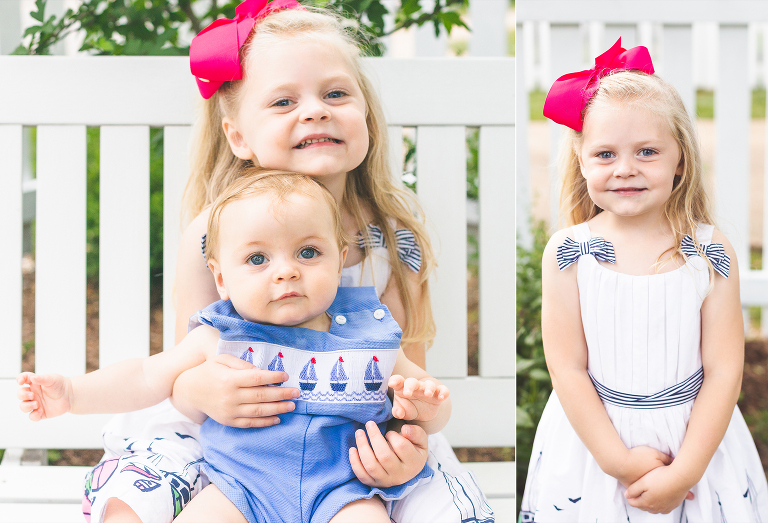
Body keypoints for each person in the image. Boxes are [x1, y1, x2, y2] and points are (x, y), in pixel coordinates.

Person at [73, 1, 493, 522]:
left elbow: (406, 385)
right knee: (136, 502)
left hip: (349, 445)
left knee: (441, 507)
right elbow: (188, 359)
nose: (315, 110)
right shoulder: (210, 233)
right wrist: (201, 389)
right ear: (238, 135)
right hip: (224, 433)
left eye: (336, 94)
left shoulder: (391, 241)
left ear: (366, 114)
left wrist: (405, 442)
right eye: (283, 102)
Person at [18, 171, 450, 523]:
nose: (286, 272)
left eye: (308, 252)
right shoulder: (220, 335)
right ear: (221, 277)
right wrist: (73, 394)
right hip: (239, 490)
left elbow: (427, 399)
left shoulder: (368, 335)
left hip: (343, 492)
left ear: (339, 259)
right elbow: (146, 377)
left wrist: (425, 406)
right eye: (258, 259)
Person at [519, 38, 768, 521]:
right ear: (583, 161)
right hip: (594, 449)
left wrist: (686, 472)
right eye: (606, 154)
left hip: (695, 446)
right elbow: (567, 367)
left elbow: (723, 370)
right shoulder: (569, 254)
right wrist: (618, 461)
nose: (626, 169)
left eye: (647, 151)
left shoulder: (708, 251)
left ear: (681, 158)